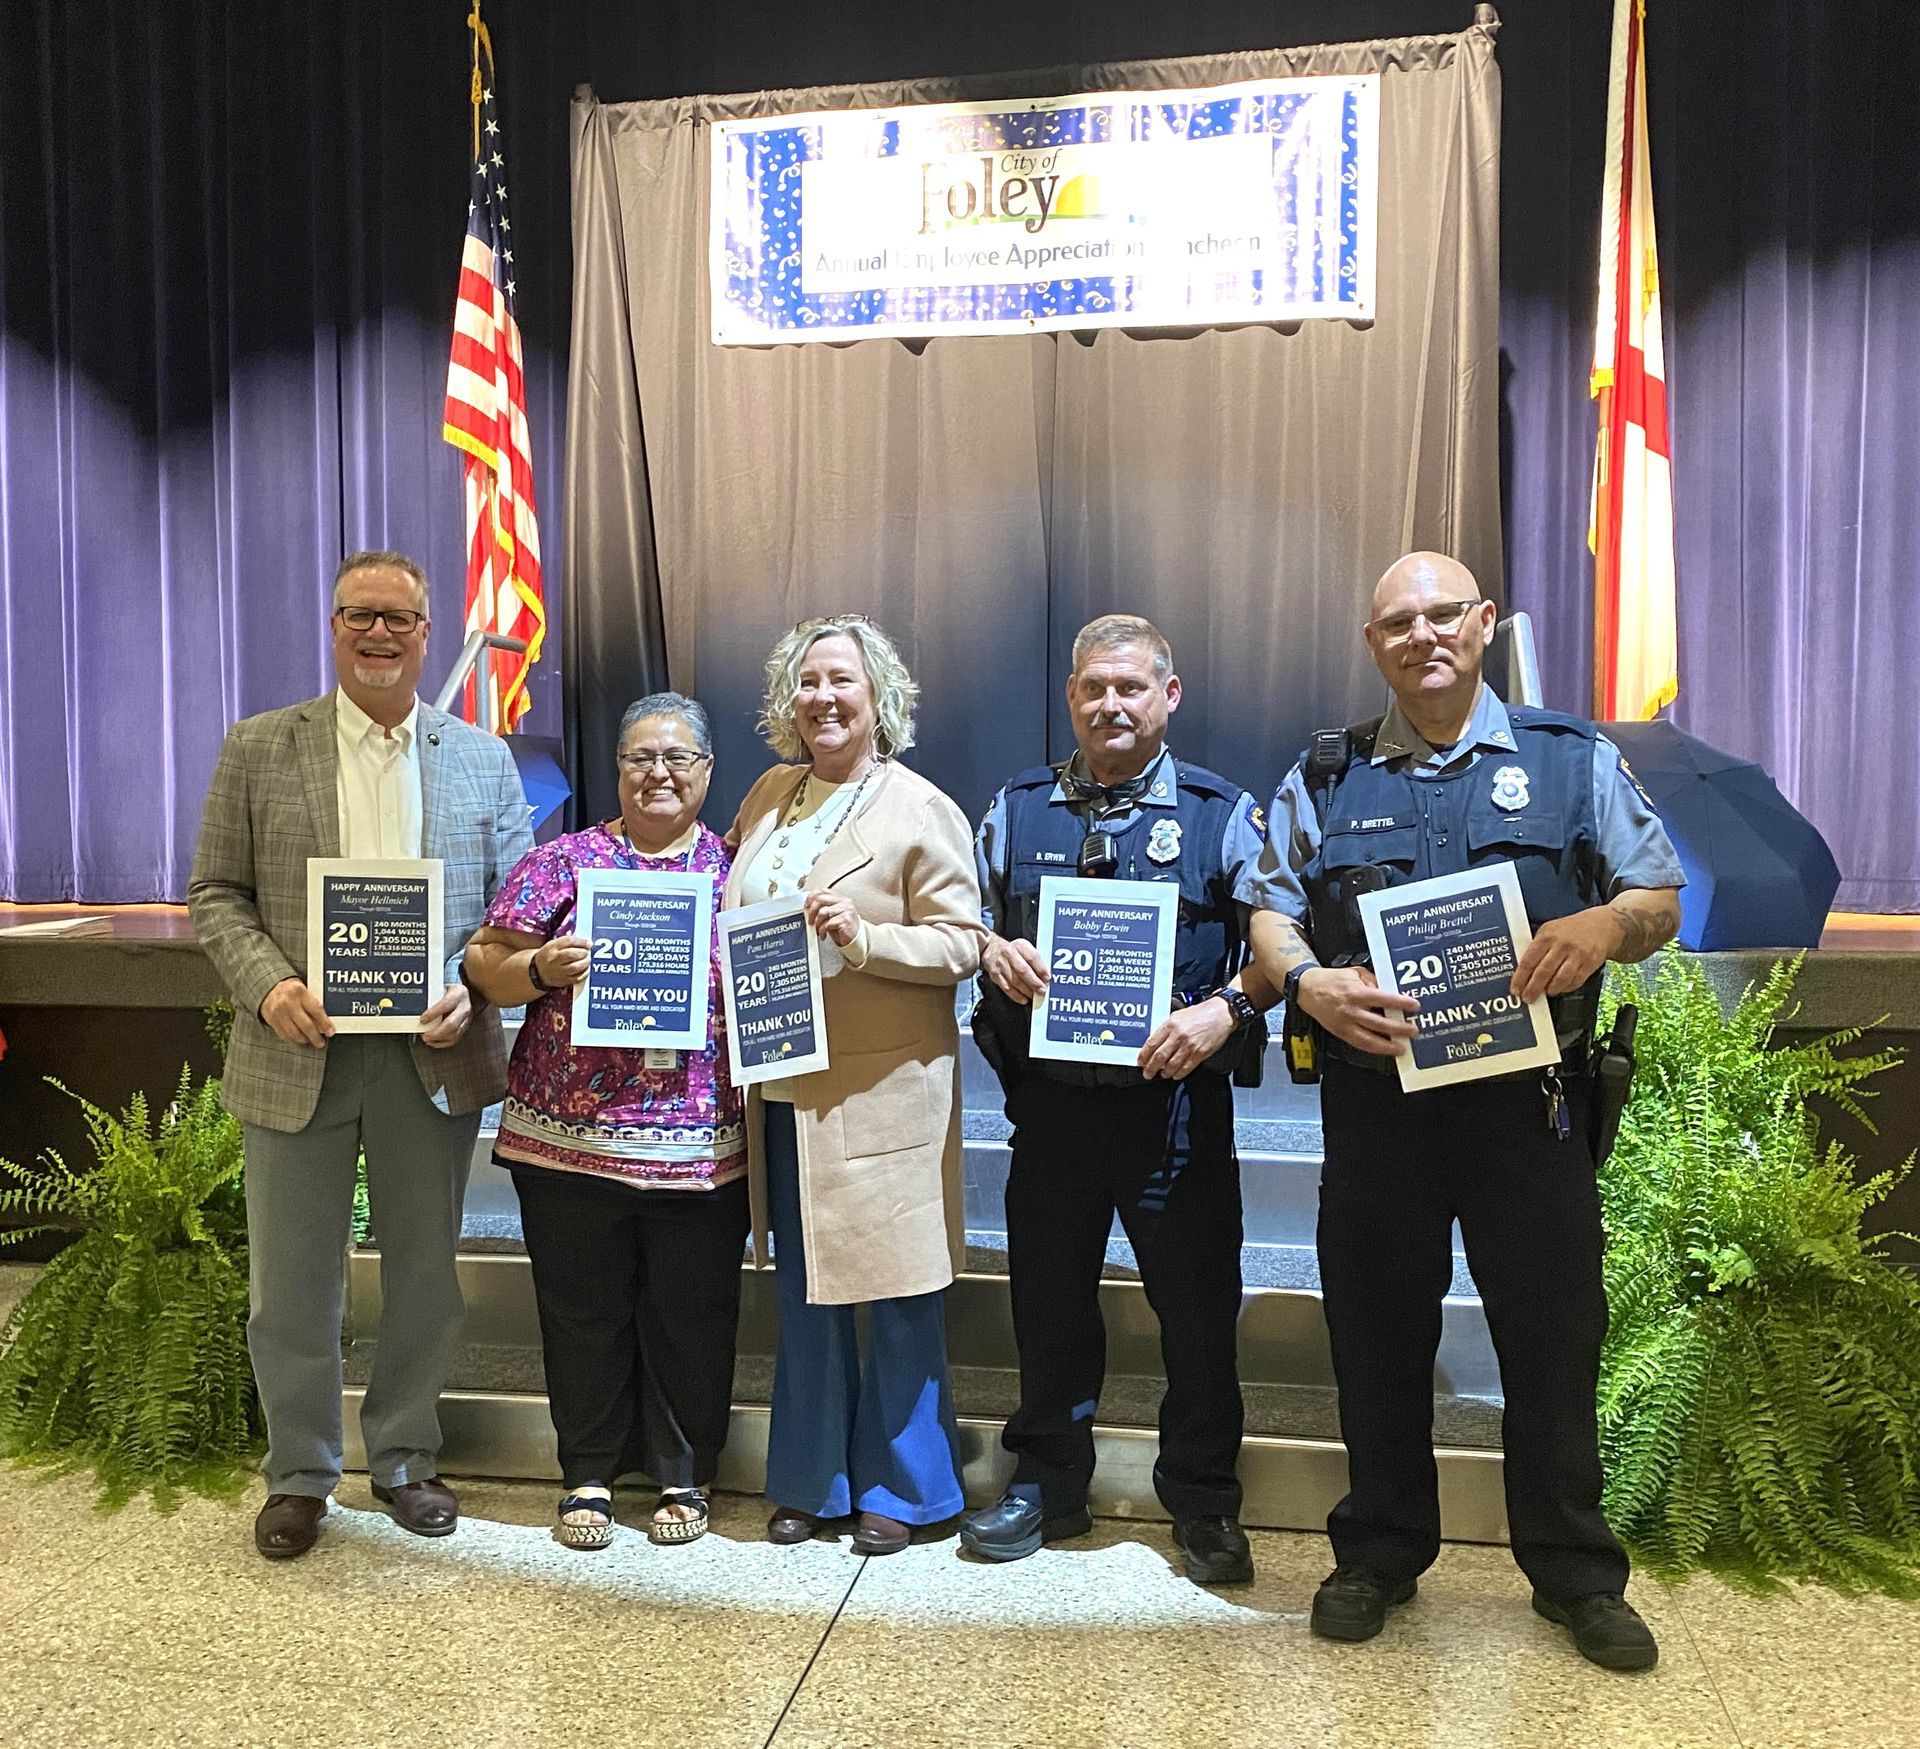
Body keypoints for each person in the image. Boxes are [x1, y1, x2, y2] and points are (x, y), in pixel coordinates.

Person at [1247, 551, 1683, 1671]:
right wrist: (1308, 983)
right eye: (1399, 622)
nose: (1424, 635)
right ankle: (1381, 1551)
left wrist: (1603, 930)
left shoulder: (1569, 760)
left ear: (1484, 623)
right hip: (1378, 1107)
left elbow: (1658, 895)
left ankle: (1575, 1573)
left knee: (1551, 1339)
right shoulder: (1327, 775)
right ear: (1372, 643)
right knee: (1377, 1335)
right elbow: (1270, 912)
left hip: (1524, 1110)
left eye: (1445, 614)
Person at [188, 550, 531, 1559]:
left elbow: (515, 910)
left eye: (400, 618)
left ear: (429, 634)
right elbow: (215, 894)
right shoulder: (257, 747)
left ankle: (404, 1460)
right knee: (291, 1284)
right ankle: (299, 1472)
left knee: (425, 1275)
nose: (379, 632)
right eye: (359, 615)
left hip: (431, 1058)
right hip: (301, 1049)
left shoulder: (483, 757)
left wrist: (468, 987)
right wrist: (268, 985)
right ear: (332, 627)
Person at [962, 614, 1274, 1584]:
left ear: (1167, 697)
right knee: (1049, 1304)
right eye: (1094, 687)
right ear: (1070, 697)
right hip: (1050, 1108)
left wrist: (1225, 1010)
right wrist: (987, 945)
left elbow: (1279, 943)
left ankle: (1205, 1501)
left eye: (1131, 687)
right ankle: (1047, 1485)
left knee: (1196, 1311)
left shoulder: (1224, 815)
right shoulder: (1016, 811)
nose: (1111, 704)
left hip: (1173, 1108)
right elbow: (961, 912)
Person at [723, 616, 984, 1557]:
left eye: (841, 682)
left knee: (900, 1294)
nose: (823, 699)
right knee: (807, 1291)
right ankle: (811, 1481)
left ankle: (911, 1491)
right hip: (783, 1085)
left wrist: (863, 939)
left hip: (882, 1089)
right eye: (807, 684)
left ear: (880, 698)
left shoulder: (921, 809)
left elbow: (964, 945)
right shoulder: (767, 794)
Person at [463, 692, 745, 1551]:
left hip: (700, 1147)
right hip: (567, 1142)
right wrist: (541, 966)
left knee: (690, 1313)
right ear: (616, 769)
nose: (657, 773)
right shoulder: (563, 861)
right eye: (638, 758)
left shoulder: (741, 869)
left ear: (705, 771)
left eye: (677, 758)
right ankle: (586, 1470)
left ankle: (683, 1472)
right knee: (581, 1310)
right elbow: (484, 958)